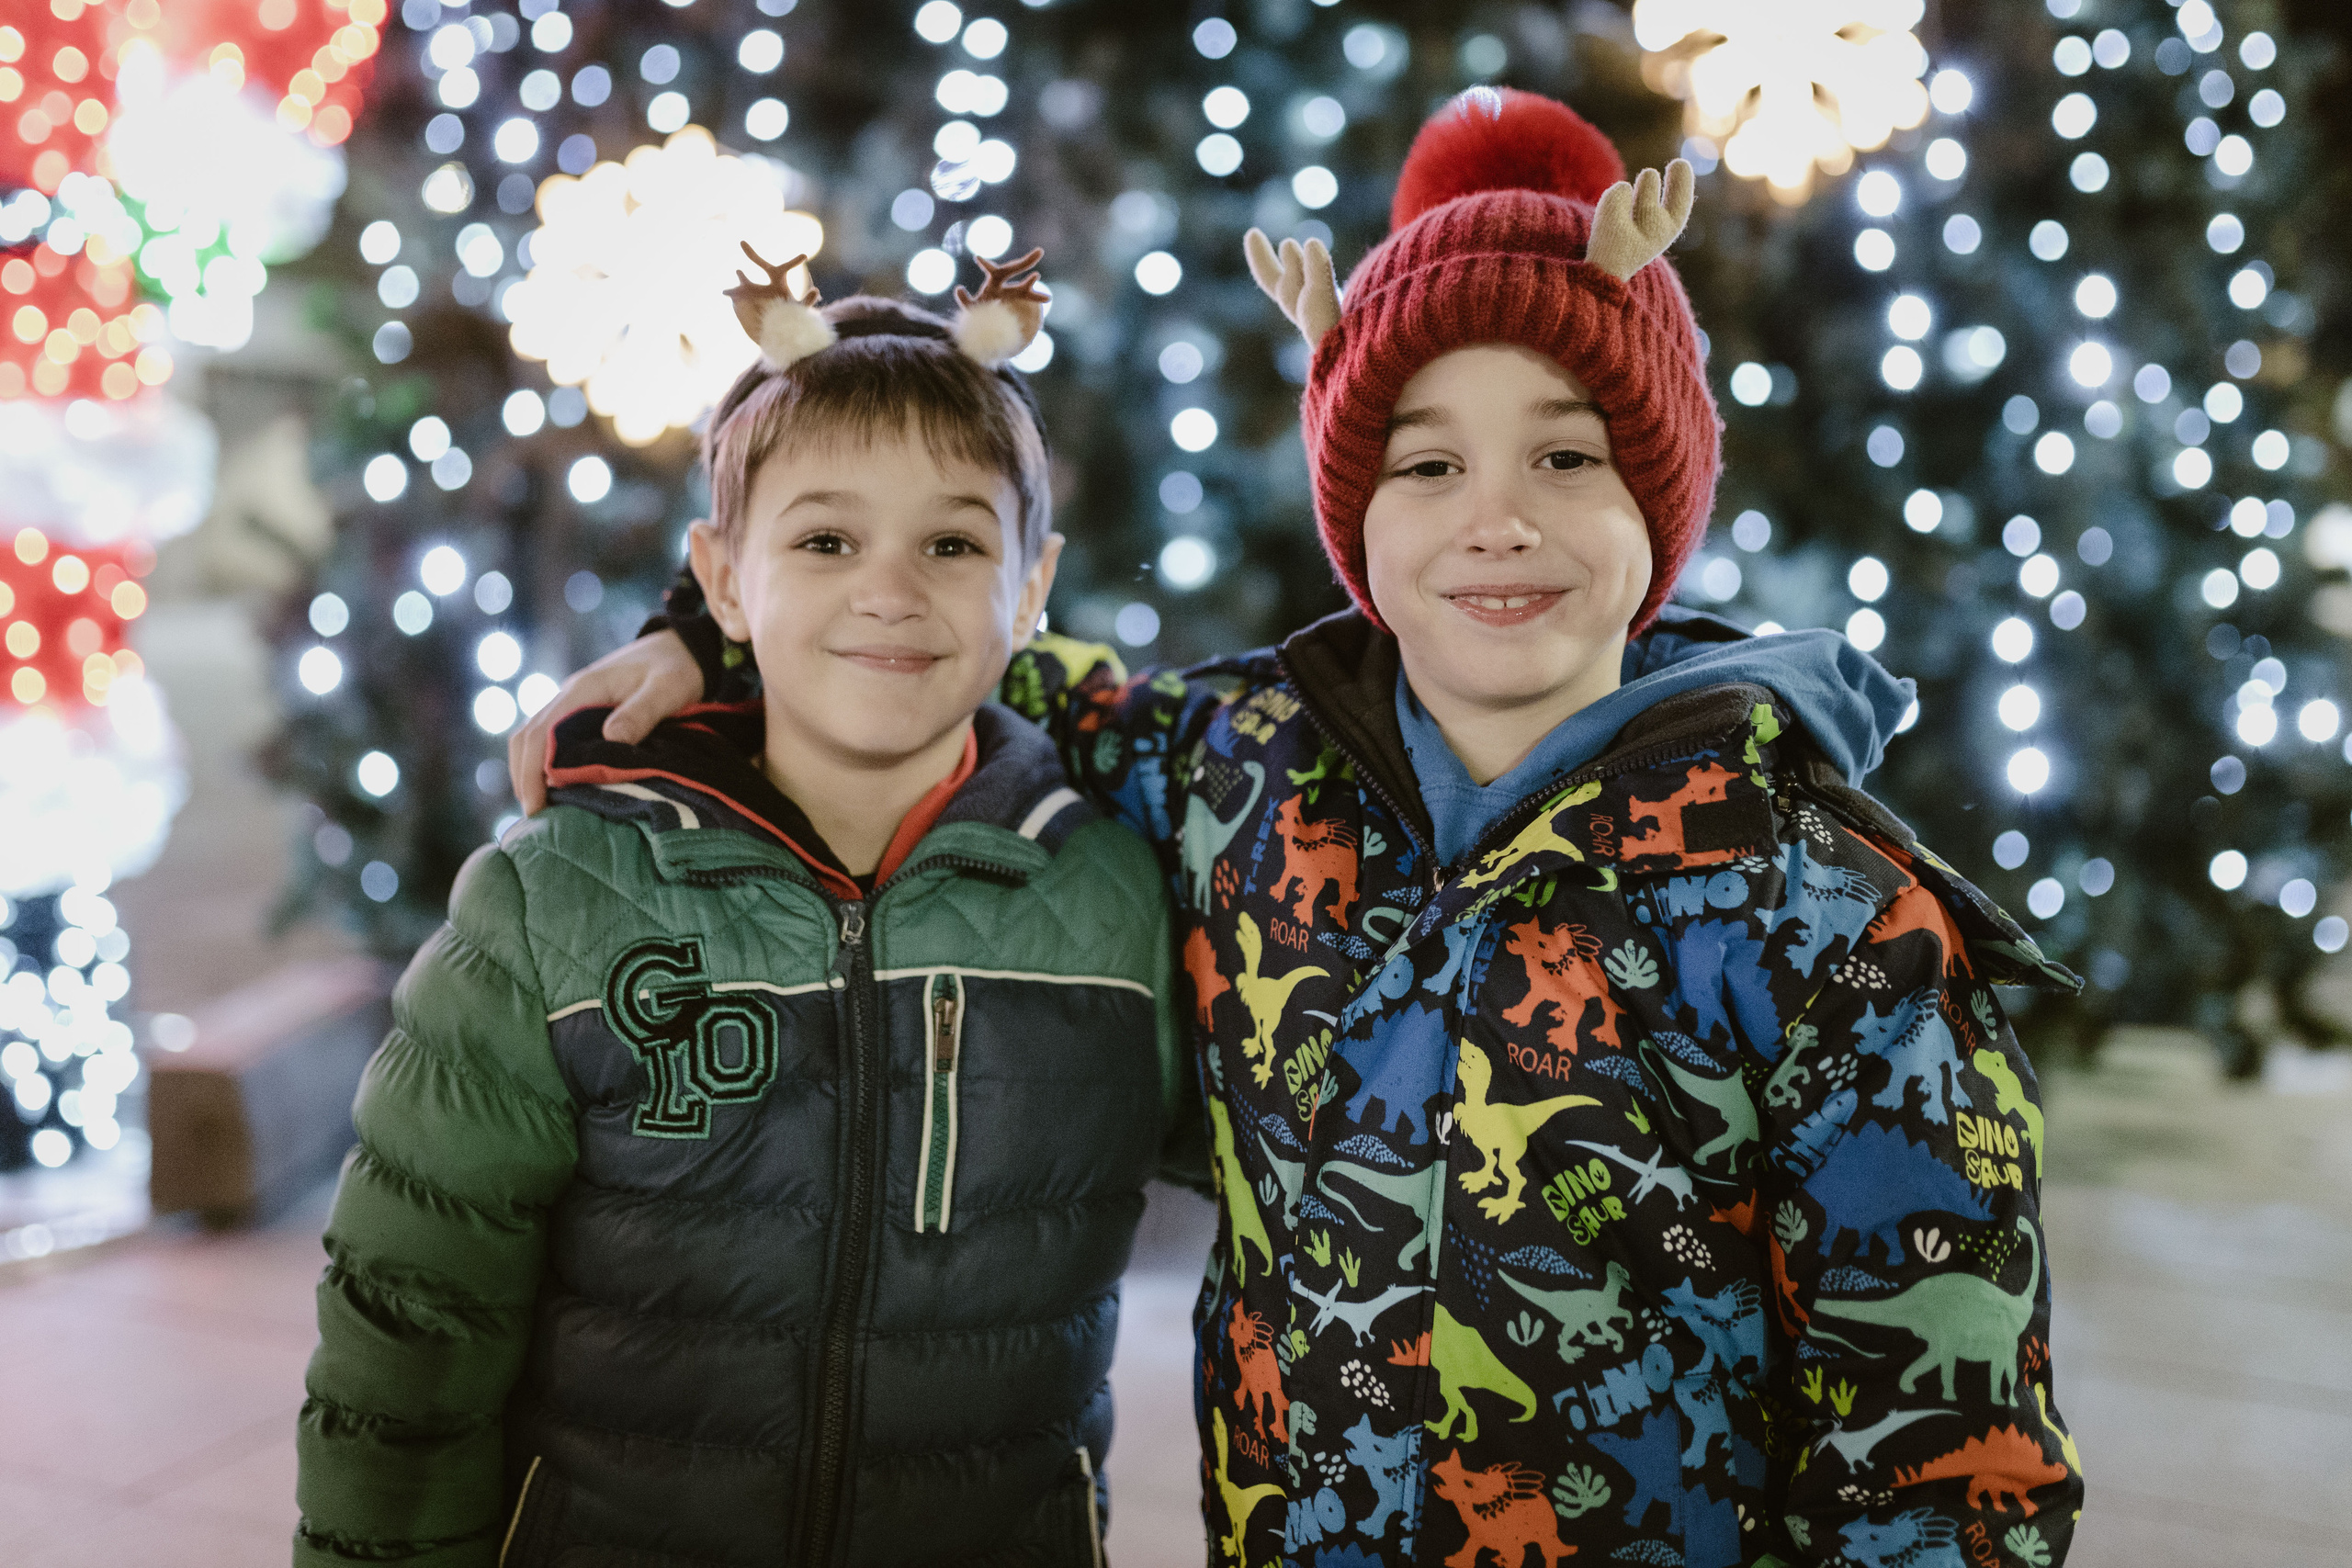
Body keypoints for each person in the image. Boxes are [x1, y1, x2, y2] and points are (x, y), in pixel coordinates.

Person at [516, 92, 2085, 1568]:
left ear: (1656, 506)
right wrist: (701, 635)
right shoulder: (1231, 773)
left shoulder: (1822, 911)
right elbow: (941, 630)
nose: (1498, 516)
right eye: (1427, 462)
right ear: (1358, 517)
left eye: (1565, 454)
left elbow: (1949, 1453)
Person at [296, 249, 1203, 1567]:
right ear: (722, 580)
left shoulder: (1119, 895)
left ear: (1034, 580)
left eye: (953, 542)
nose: (890, 590)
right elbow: (411, 1315)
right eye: (826, 540)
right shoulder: (556, 903)